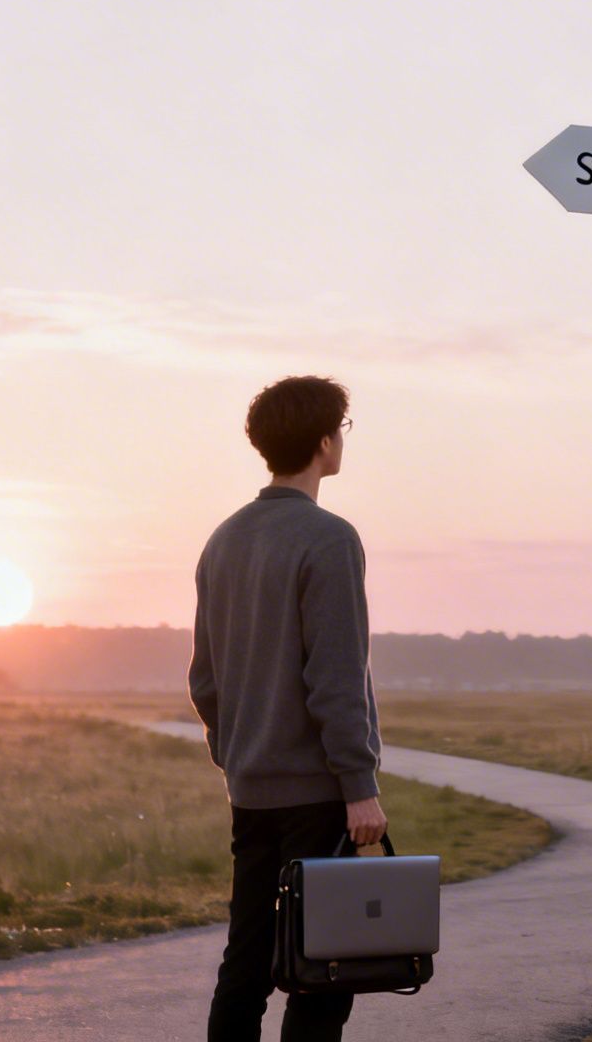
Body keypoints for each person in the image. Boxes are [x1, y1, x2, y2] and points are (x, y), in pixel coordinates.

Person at [189, 375, 386, 1042]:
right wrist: (359, 786)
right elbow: (335, 680)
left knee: (245, 961)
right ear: (326, 442)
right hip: (315, 795)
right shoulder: (328, 538)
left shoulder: (223, 540)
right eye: (344, 430)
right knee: (324, 971)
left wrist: (237, 757)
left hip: (250, 793)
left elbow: (205, 680)